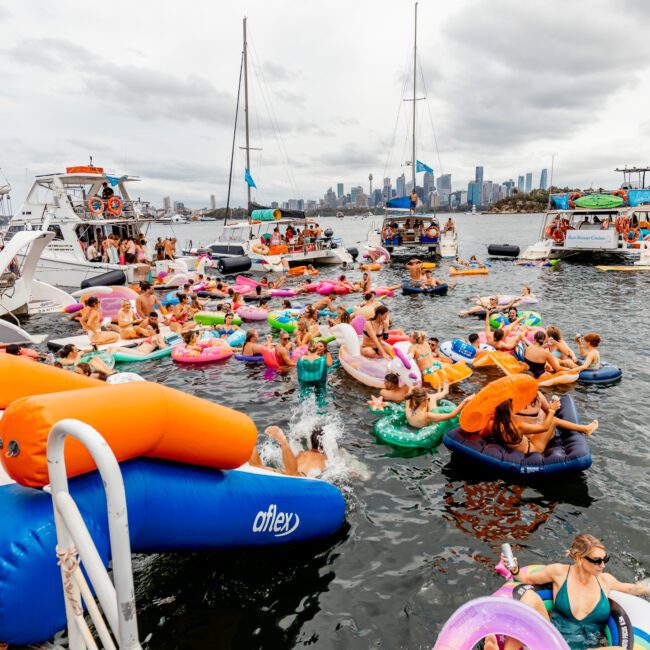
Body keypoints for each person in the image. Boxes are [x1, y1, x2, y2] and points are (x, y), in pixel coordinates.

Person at [485, 533, 650, 650]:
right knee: (528, 596)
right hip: (551, 641)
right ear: (579, 558)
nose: (603, 565)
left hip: (587, 648)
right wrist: (514, 568)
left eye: (605, 560)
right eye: (597, 561)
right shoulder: (559, 572)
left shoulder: (605, 580)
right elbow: (527, 580)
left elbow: (633, 588)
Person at [490, 397, 598, 456]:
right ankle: (586, 429)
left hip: (518, 444)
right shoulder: (518, 426)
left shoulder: (492, 425)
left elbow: (483, 433)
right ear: (509, 411)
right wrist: (552, 410)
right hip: (533, 448)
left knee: (541, 423)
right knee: (553, 421)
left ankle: (585, 428)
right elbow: (545, 427)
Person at [249, 425, 328, 477]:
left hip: (284, 472)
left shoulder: (302, 453)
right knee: (293, 474)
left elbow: (291, 465)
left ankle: (250, 439)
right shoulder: (325, 458)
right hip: (300, 476)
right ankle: (282, 441)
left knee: (257, 467)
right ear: (325, 443)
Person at [405, 387, 471, 429]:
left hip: (413, 425)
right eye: (428, 399)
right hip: (425, 428)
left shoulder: (408, 408)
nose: (428, 400)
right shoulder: (427, 415)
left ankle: (443, 392)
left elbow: (410, 389)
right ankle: (444, 391)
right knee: (433, 399)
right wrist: (465, 401)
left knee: (432, 398)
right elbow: (452, 415)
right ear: (422, 401)